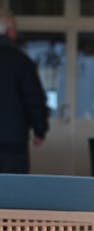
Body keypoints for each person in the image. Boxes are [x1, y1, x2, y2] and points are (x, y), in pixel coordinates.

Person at [0, 8, 49, 173]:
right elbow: (33, 98)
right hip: (13, 141)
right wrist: (40, 129)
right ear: (8, 31)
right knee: (14, 191)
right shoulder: (21, 61)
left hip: (13, 139)